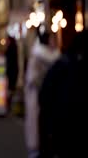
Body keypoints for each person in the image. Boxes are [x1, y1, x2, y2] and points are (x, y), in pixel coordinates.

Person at [39, 30, 88, 158]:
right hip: (67, 127)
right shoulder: (63, 65)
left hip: (62, 127)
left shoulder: (61, 63)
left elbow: (45, 98)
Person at [24, 31, 59, 158]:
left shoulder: (55, 57)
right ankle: (37, 149)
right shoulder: (38, 56)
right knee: (38, 123)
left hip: (50, 97)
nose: (54, 42)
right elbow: (33, 78)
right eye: (52, 39)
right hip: (38, 96)